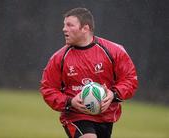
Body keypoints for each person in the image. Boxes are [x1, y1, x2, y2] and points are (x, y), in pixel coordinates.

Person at [40, 7, 138, 138]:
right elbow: (48, 89)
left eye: (69, 25)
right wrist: (70, 102)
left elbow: (130, 79)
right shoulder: (59, 58)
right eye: (64, 25)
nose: (64, 29)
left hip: (106, 117)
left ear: (85, 28)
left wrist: (113, 94)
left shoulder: (114, 51)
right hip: (75, 116)